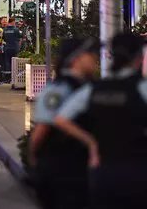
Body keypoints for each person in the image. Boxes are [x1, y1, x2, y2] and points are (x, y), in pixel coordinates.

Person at [55, 33, 147, 209]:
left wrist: (91, 142)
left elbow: (61, 119)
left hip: (103, 174)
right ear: (139, 57)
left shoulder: (94, 89)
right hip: (142, 173)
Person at [28, 38, 99, 209]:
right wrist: (33, 160)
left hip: (81, 169)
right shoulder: (59, 90)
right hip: (62, 170)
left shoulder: (88, 86)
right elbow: (42, 129)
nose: (95, 58)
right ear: (75, 59)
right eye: (89, 54)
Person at [2, 17, 22, 81]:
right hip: (14, 47)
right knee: (15, 62)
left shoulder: (4, 30)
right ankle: (14, 77)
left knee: (7, 62)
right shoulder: (16, 30)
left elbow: (4, 38)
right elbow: (19, 38)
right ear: (13, 22)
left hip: (7, 47)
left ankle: (8, 77)